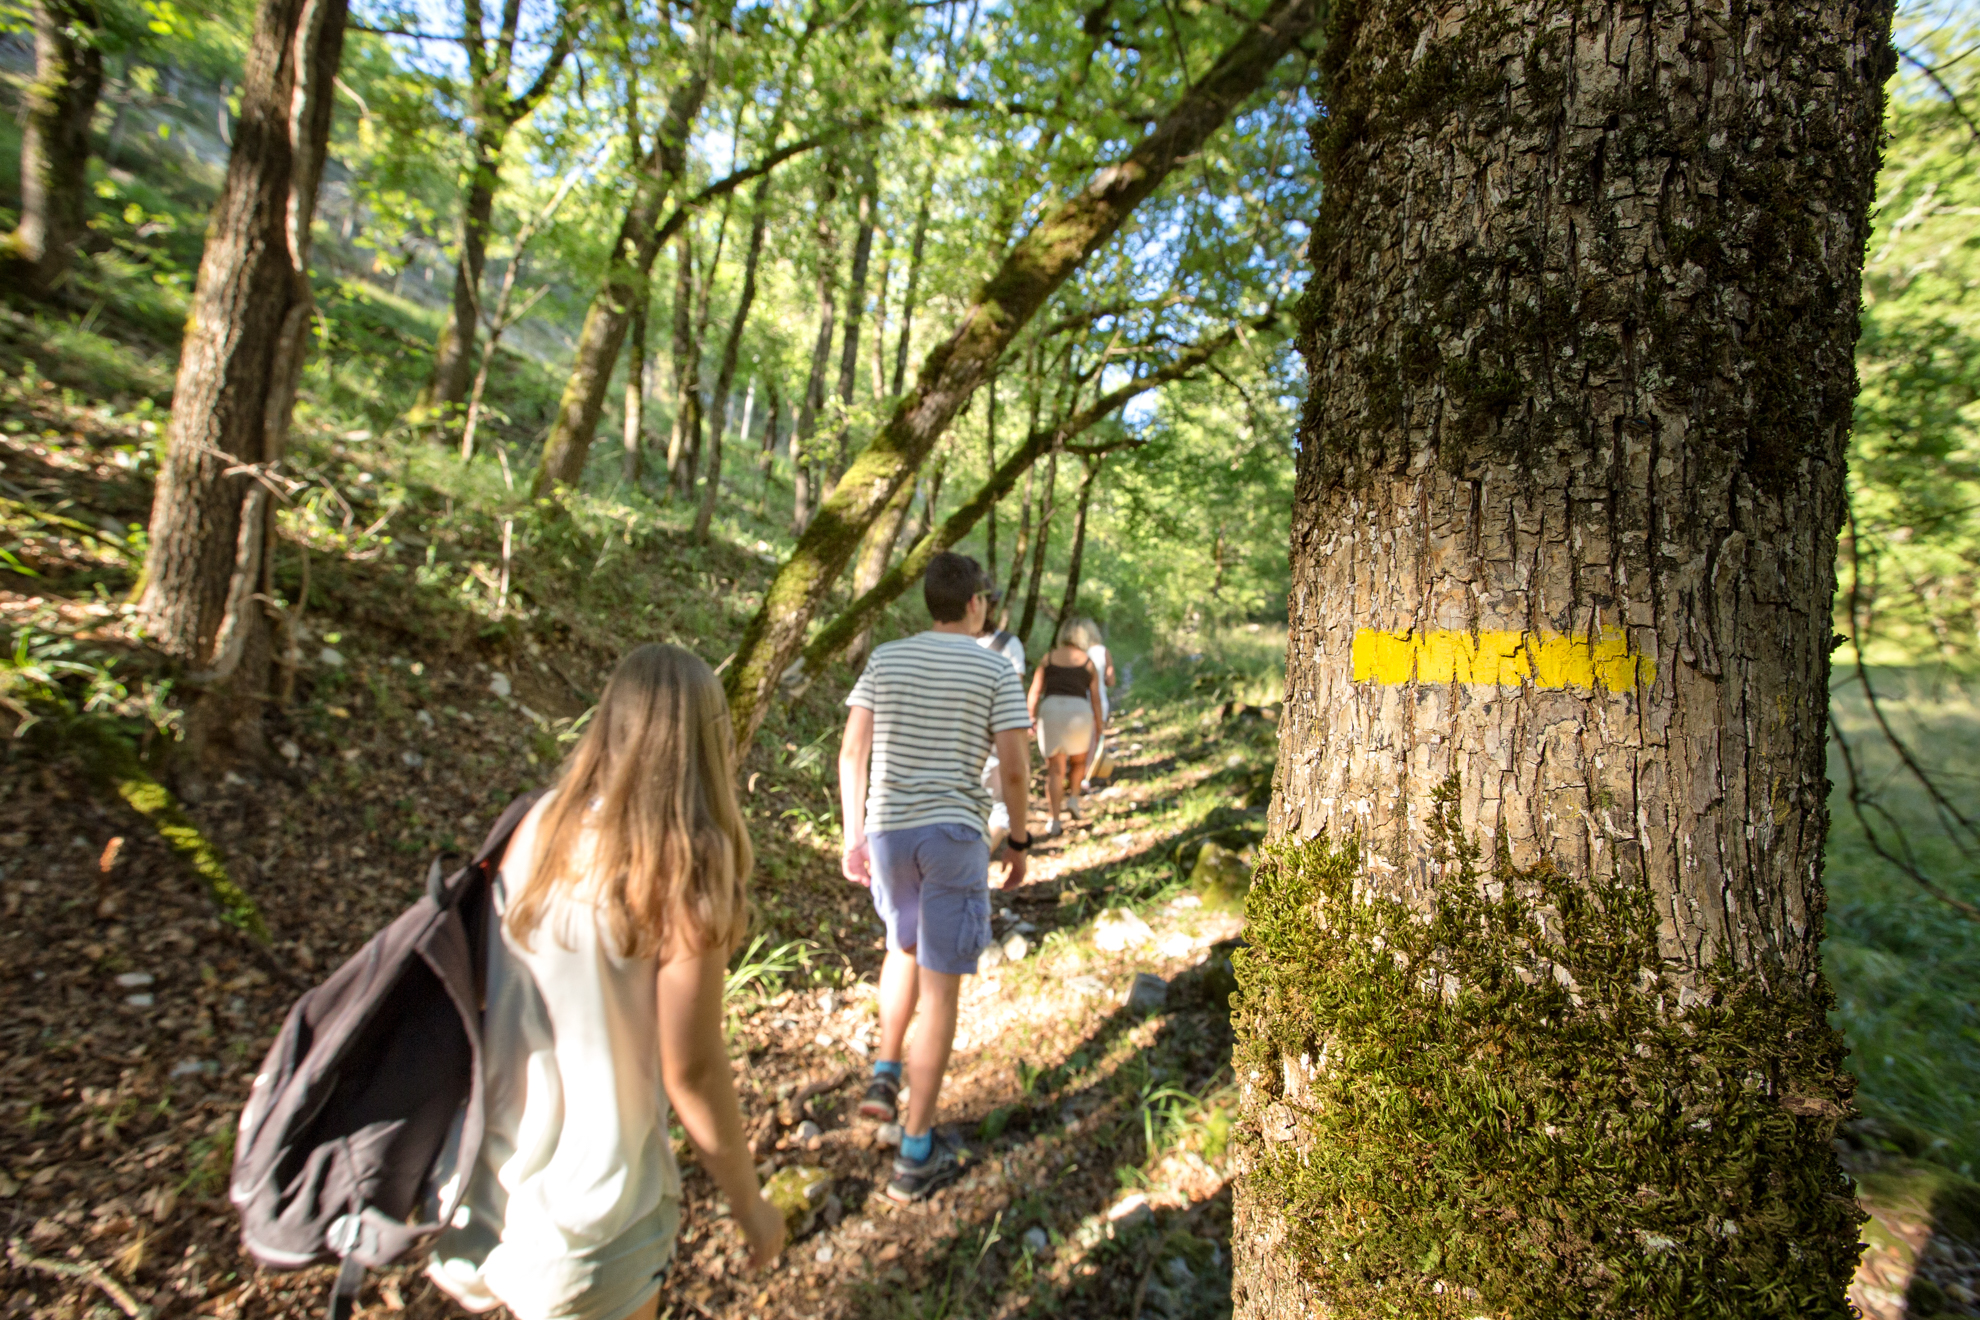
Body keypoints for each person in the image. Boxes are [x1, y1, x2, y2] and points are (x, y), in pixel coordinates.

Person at [428, 645, 785, 1320]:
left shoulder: (536, 824)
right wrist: (749, 1202)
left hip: (489, 1189)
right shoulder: (686, 867)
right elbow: (696, 1070)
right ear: (708, 741)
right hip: (596, 1212)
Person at [837, 553, 1033, 1203]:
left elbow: (851, 751)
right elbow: (1013, 769)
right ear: (976, 604)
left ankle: (884, 1075)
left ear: (930, 603)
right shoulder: (994, 668)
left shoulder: (887, 659)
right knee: (941, 993)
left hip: (889, 833)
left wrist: (853, 834)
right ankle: (915, 1154)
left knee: (902, 948)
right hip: (953, 835)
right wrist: (1023, 839)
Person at [1028, 620, 1104, 834]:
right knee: (1079, 762)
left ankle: (1054, 820)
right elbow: (1096, 698)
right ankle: (1073, 799)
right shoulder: (1088, 663)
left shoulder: (1048, 658)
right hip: (1078, 713)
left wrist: (1030, 718)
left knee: (1055, 769)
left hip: (1051, 711)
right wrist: (1100, 726)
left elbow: (1034, 692)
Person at [977, 589, 1029, 858]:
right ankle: (975, 861)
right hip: (994, 742)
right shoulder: (1009, 645)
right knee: (998, 810)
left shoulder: (942, 645)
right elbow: (1014, 702)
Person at [1072, 618, 1116, 791]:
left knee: (1076, 739)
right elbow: (1111, 680)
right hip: (1099, 701)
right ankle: (1085, 777)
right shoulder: (1103, 651)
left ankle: (1073, 772)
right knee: (1094, 739)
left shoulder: (1075, 651)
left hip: (1077, 701)